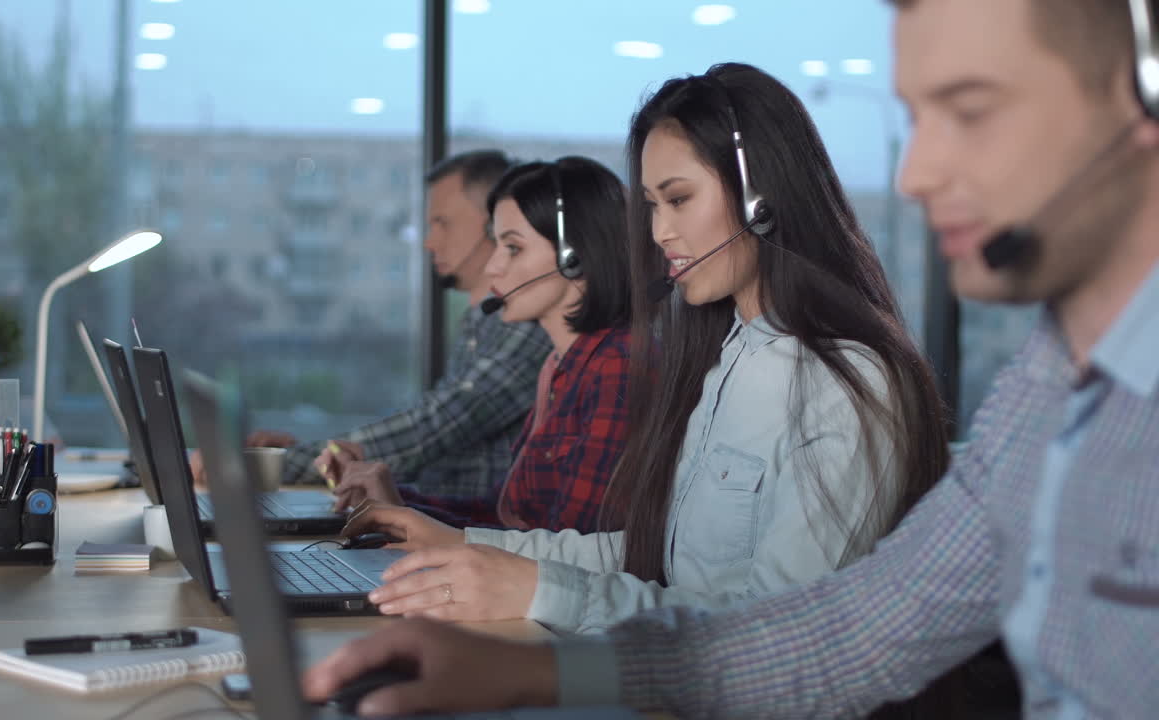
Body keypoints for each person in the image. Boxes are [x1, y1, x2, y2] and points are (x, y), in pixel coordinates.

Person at [305, 0, 1159, 717]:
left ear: (1146, 92)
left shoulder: (842, 380)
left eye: (971, 110)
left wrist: (533, 604)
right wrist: (518, 628)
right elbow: (849, 630)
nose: (916, 173)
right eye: (914, 121)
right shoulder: (1046, 390)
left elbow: (799, 627)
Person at [338, 62, 949, 636]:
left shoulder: (844, 384)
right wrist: (459, 545)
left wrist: (539, 591)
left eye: (678, 200)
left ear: (761, 199)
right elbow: (650, 556)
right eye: (653, 206)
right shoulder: (728, 356)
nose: (658, 233)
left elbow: (780, 635)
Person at [191, 151, 552, 499]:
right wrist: (313, 455)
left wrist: (271, 465)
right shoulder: (481, 323)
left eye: (442, 223)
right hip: (445, 526)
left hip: (465, 539)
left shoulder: (528, 328)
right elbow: (427, 445)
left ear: (493, 225)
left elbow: (430, 429)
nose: (428, 242)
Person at [331, 157, 633, 534]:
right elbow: (505, 517)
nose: (493, 267)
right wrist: (397, 504)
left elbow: (570, 551)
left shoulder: (617, 369)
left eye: (513, 248)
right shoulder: (558, 367)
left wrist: (425, 531)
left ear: (574, 257)